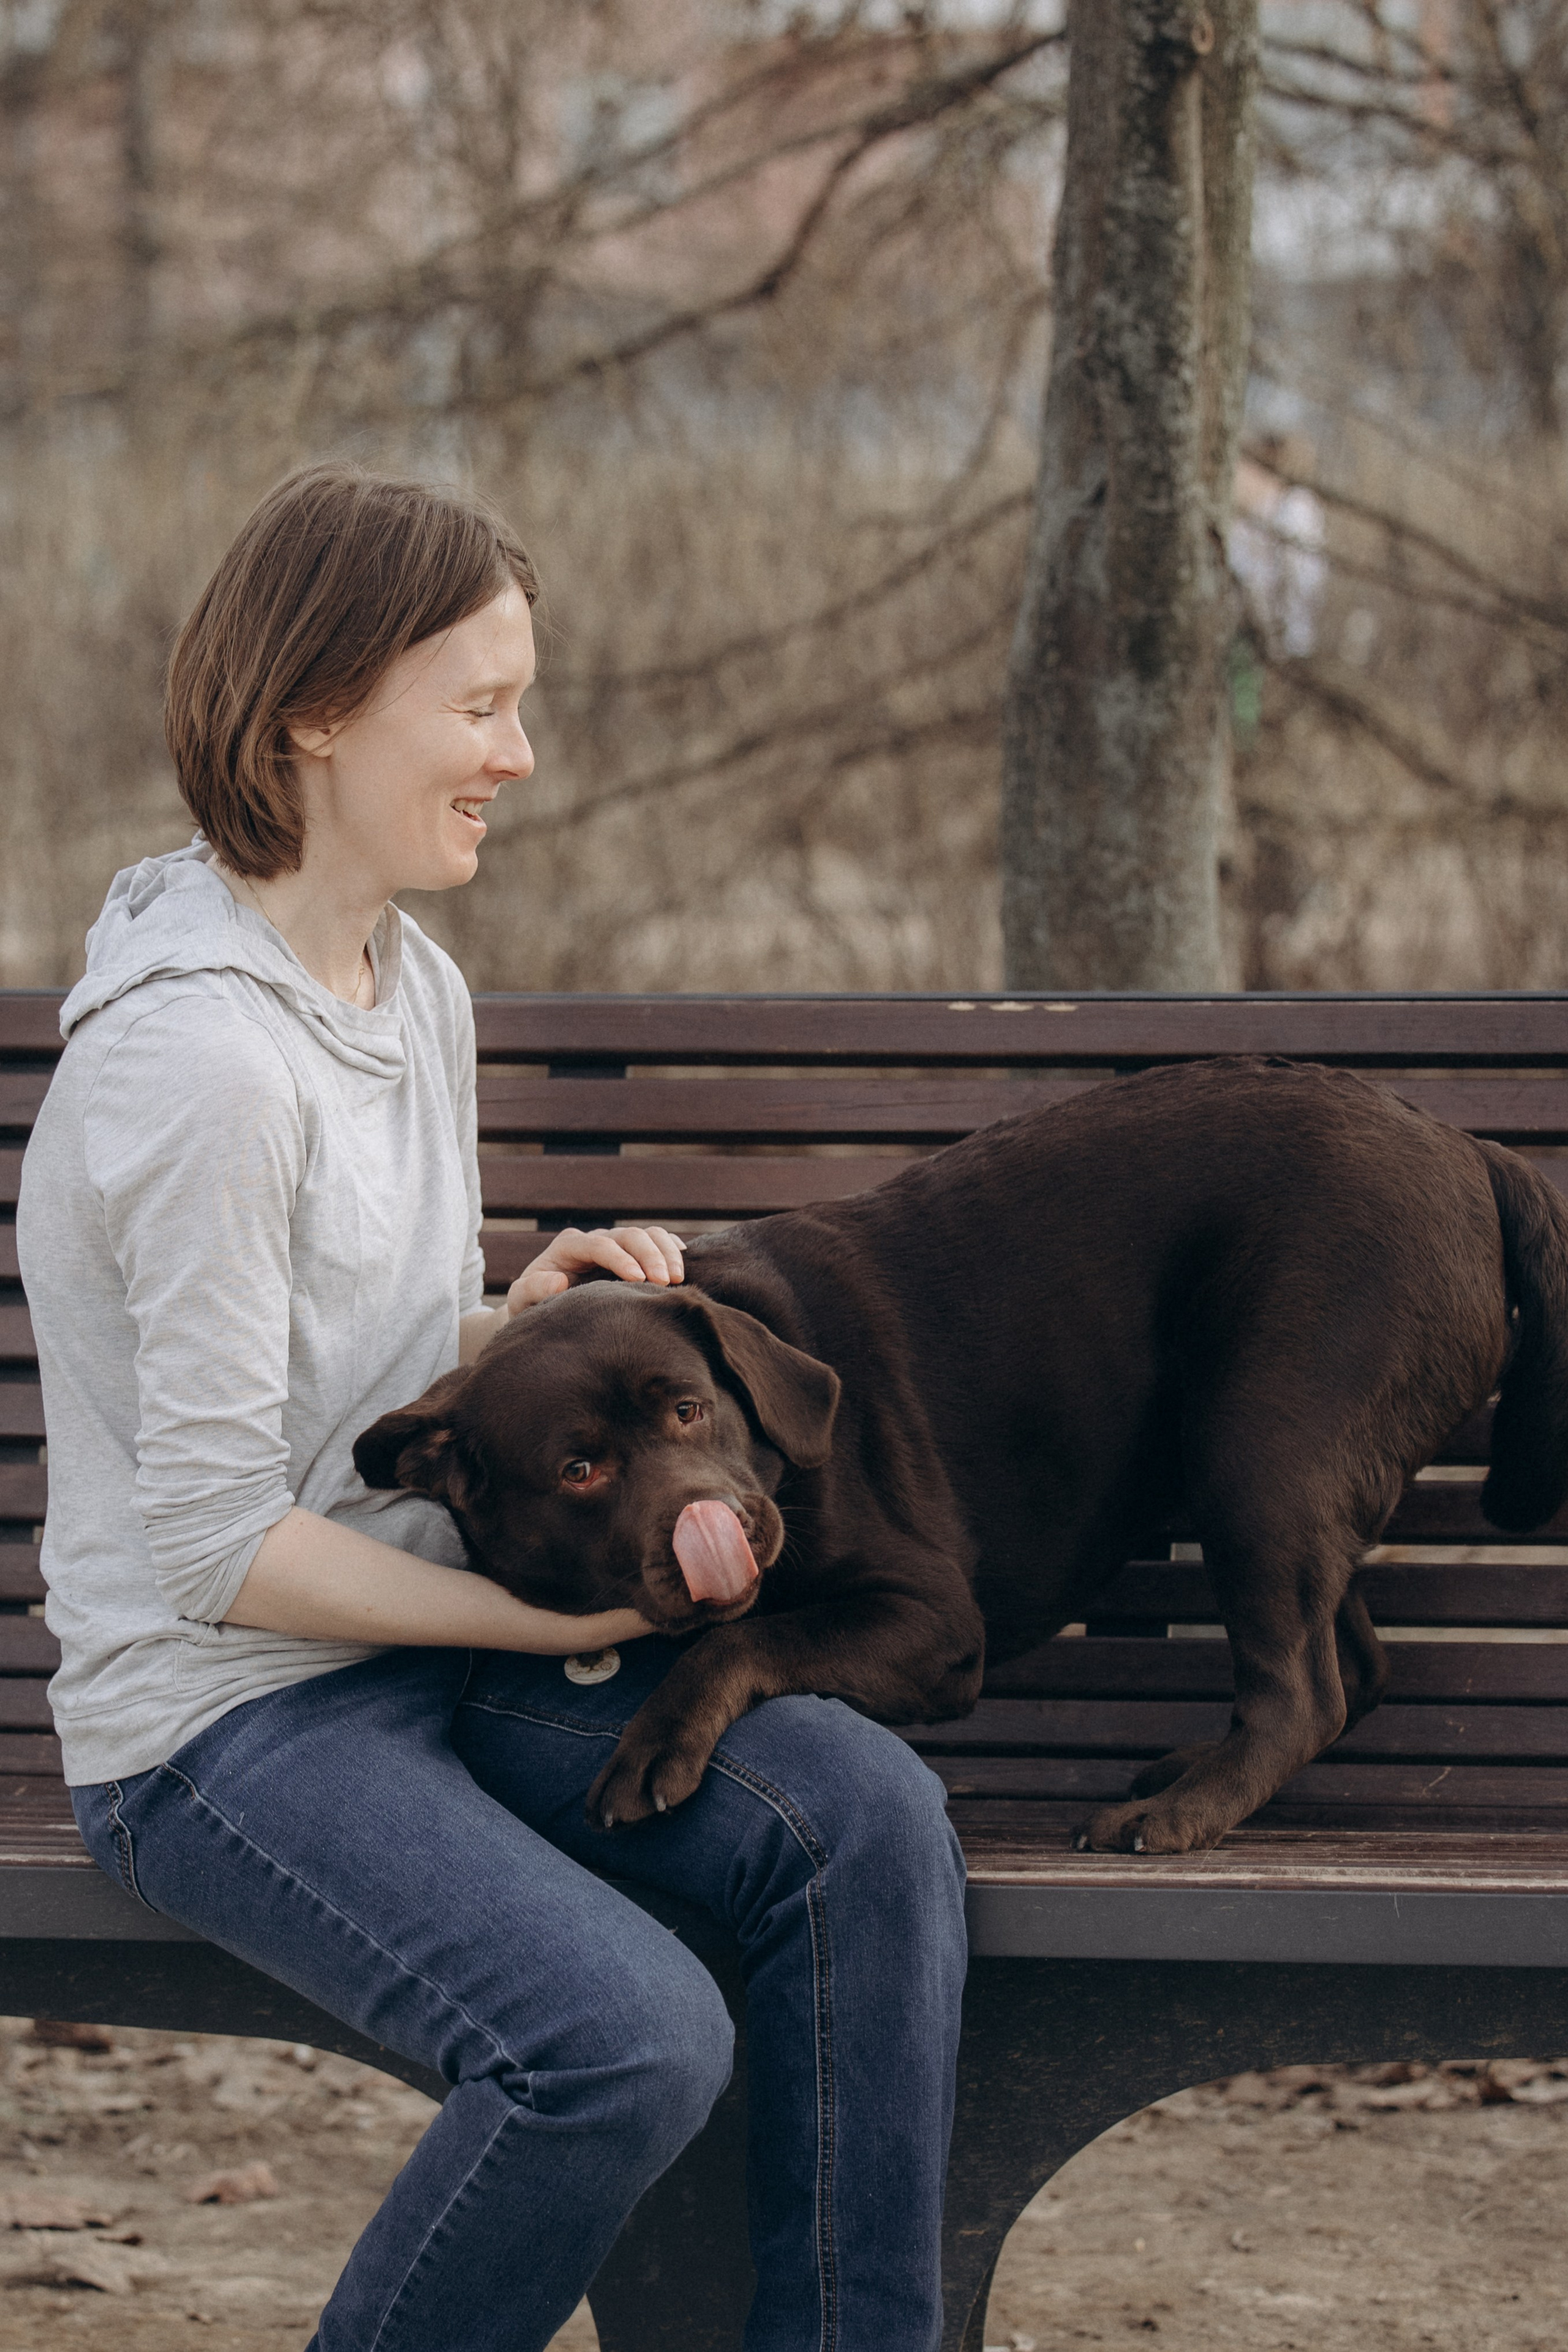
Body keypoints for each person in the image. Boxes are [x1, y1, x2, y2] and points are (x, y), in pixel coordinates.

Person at [16, 464, 968, 2352]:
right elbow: (216, 1547)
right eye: (477, 705)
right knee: (617, 2043)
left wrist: (508, 1324)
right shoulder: (205, 1069)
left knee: (859, 1821)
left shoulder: (404, 985)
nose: (517, 755)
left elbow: (333, 1369)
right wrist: (566, 1617)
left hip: (405, 1647)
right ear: (315, 713)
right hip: (222, 1721)